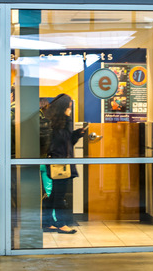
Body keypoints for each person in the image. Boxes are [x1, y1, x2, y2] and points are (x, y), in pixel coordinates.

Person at [43, 93, 87, 234]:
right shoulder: (60, 123)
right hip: (60, 163)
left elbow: (68, 142)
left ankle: (48, 222)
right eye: (69, 107)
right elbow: (61, 143)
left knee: (54, 194)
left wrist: (77, 134)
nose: (70, 109)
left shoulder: (56, 122)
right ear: (64, 107)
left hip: (59, 162)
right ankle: (61, 224)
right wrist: (69, 121)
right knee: (59, 195)